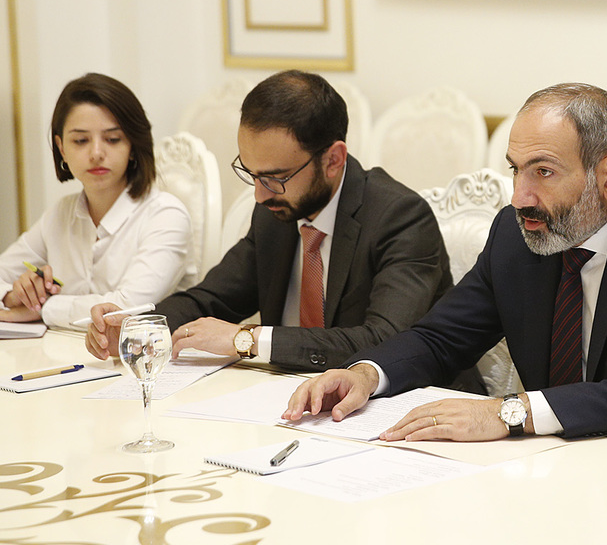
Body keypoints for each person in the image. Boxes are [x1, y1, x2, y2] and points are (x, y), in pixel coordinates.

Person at [282, 82, 607, 440]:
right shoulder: (518, 235)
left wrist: (512, 412)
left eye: (543, 172)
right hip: (560, 463)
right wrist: (366, 374)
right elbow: (441, 338)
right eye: (516, 170)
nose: (520, 197)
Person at [85, 70, 453, 372]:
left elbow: (384, 341)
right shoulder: (275, 213)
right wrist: (137, 327)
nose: (260, 195)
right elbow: (210, 299)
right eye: (251, 173)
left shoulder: (400, 218)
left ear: (334, 159)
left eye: (275, 178)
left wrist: (246, 339)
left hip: (404, 410)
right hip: (288, 399)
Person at [0, 73, 192, 328]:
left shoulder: (166, 215)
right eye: (81, 140)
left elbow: (124, 309)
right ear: (62, 148)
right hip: (60, 350)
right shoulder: (60, 215)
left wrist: (43, 308)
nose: (96, 153)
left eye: (112, 139)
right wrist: (15, 297)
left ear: (132, 146)